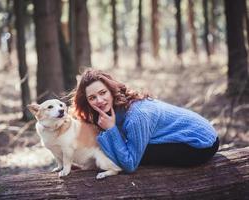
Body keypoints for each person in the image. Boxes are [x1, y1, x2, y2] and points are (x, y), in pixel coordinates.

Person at [71, 69, 219, 173]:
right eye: (92, 98)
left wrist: (111, 130)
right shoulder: (114, 111)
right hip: (198, 136)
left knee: (134, 155)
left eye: (103, 93)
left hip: (200, 144)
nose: (99, 101)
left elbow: (130, 165)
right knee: (125, 147)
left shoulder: (137, 115)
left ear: (111, 90)